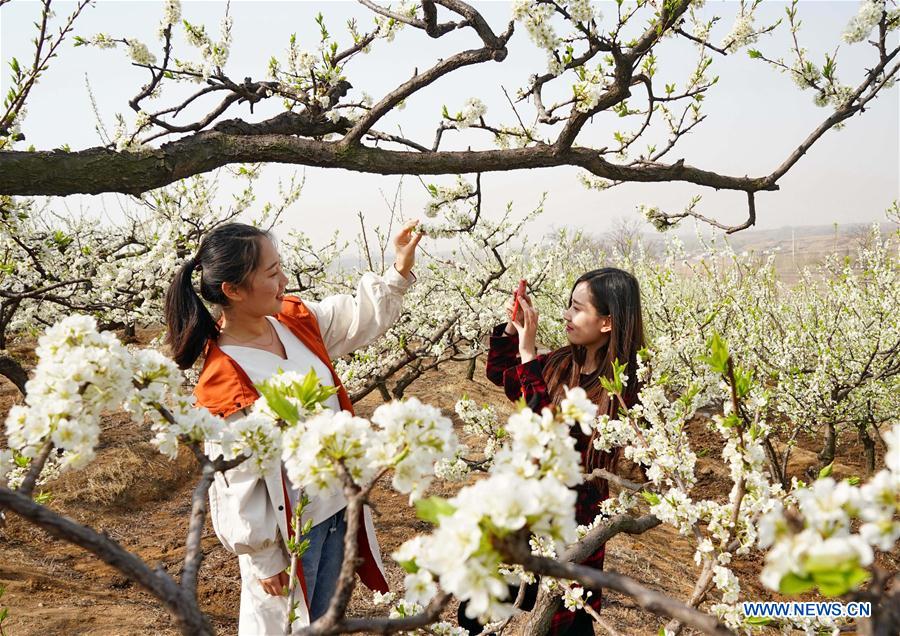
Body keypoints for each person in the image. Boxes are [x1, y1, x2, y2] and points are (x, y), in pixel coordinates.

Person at [163, 221, 422, 634]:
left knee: (322, 624)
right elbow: (235, 480)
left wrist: (398, 269)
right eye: (271, 273)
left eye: (280, 268)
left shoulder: (293, 322)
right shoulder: (225, 377)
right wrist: (263, 555)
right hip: (290, 533)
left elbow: (357, 318)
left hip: (336, 509)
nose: (284, 280)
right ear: (233, 290)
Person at [461, 267, 645, 635]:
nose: (566, 315)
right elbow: (502, 375)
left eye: (578, 309)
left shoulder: (622, 392)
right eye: (568, 305)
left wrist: (529, 355)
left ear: (607, 323)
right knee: (477, 612)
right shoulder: (564, 361)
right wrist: (514, 331)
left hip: (571, 524)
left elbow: (555, 442)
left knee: (564, 621)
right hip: (524, 509)